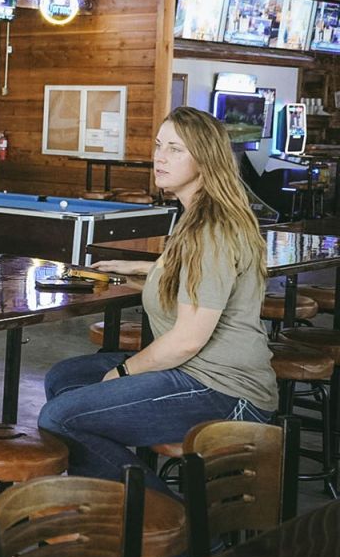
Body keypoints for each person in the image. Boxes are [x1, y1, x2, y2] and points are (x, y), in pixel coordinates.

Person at [38, 107, 277, 495]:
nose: (159, 157)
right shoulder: (197, 213)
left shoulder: (210, 228)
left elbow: (187, 340)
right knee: (65, 378)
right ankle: (112, 500)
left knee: (59, 418)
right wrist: (144, 268)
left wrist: (124, 373)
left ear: (205, 159)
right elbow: (200, 275)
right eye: (158, 145)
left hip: (223, 390)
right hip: (197, 372)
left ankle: (171, 525)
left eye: (175, 150)